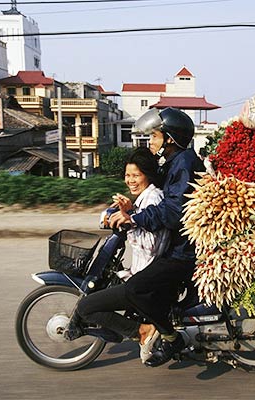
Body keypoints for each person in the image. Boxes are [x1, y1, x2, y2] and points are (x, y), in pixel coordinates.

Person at [108, 107, 204, 367]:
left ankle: (171, 339)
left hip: (183, 252)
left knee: (137, 287)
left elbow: (173, 211)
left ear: (169, 140)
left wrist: (135, 219)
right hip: (176, 246)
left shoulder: (184, 163)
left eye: (155, 136)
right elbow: (153, 194)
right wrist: (130, 208)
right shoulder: (174, 163)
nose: (150, 141)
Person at [64, 147, 170, 363]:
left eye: (136, 175)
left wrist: (129, 218)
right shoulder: (143, 197)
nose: (130, 180)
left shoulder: (154, 198)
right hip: (141, 272)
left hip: (146, 279)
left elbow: (152, 244)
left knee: (86, 307)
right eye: (128, 175)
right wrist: (126, 213)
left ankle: (143, 331)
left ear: (147, 175)